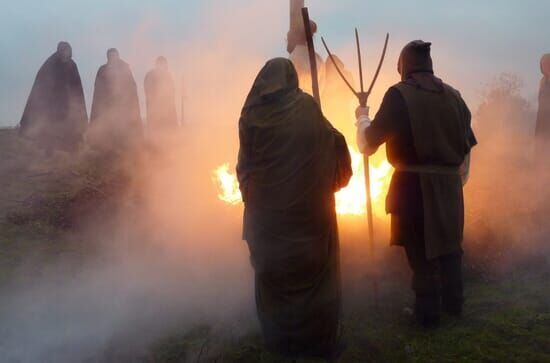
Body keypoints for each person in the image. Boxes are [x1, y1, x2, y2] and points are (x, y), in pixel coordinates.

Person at [355, 41, 477, 327]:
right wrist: (458, 180)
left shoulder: (399, 95)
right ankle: (453, 306)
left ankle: (428, 314)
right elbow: (467, 144)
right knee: (450, 247)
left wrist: (361, 117)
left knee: (420, 252)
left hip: (412, 187)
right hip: (450, 187)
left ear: (404, 66)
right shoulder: (455, 96)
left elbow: (369, 143)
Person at [237, 58, 352, 360]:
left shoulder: (250, 114)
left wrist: (256, 197)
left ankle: (279, 343)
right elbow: (333, 146)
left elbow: (245, 166)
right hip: (309, 216)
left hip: (265, 220)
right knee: (316, 280)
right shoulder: (307, 108)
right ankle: (316, 343)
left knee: (273, 279)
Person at [19, 41, 88, 153]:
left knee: (69, 125)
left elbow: (77, 86)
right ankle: (49, 152)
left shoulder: (72, 65)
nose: (65, 54)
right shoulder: (50, 63)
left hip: (68, 103)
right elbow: (42, 82)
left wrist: (77, 103)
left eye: (68, 51)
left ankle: (69, 151)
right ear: (59, 51)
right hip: (52, 102)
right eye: (63, 51)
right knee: (51, 127)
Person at [88, 48, 142, 150]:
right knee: (108, 133)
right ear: (108, 57)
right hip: (107, 108)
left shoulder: (125, 69)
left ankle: (124, 153)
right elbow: (98, 90)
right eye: (111, 56)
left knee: (123, 133)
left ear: (118, 56)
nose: (113, 58)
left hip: (123, 108)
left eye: (115, 55)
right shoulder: (102, 70)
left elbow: (132, 88)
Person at [323, 55, 356, 139]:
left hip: (343, 112)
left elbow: (351, 93)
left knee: (345, 133)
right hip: (329, 113)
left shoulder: (346, 75)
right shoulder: (325, 76)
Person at [144, 56, 178, 131]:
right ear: (156, 64)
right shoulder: (150, 75)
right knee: (157, 131)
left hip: (168, 111)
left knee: (169, 132)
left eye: (164, 63)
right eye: (160, 63)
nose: (162, 66)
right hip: (155, 111)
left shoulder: (168, 75)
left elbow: (172, 92)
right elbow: (148, 91)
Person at [536, 54, 550, 163]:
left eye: (548, 63)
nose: (546, 66)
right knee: (541, 151)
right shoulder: (542, 81)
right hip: (542, 121)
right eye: (543, 64)